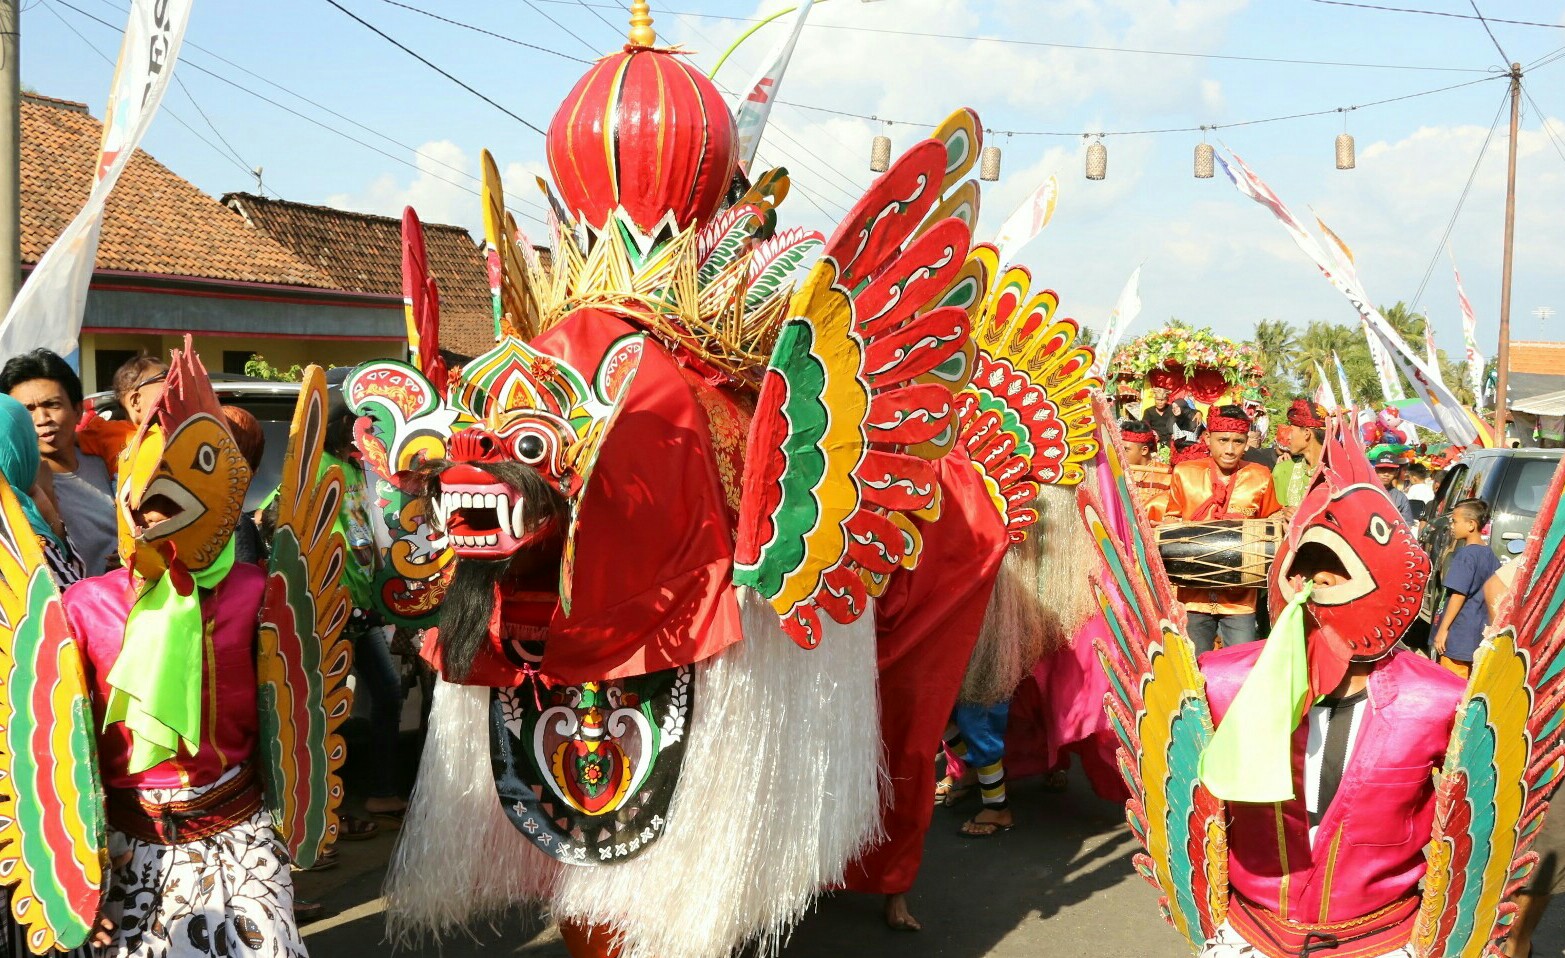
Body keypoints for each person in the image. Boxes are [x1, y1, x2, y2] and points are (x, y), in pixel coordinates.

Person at [323, 395, 407, 828]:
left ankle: (380, 792)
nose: (367, 438)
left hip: (362, 603)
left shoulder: (356, 468)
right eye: (360, 429)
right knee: (326, 708)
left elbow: (364, 532)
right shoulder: (317, 467)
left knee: (387, 694)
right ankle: (325, 811)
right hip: (334, 605)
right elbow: (322, 535)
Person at [1161, 405, 1281, 653]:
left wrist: (1283, 518)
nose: (1229, 449)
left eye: (1238, 441)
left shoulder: (1260, 476)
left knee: (1240, 667)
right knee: (1194, 668)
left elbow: (1272, 520)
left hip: (1241, 599)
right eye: (1223, 440)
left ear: (1246, 443)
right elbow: (1171, 519)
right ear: (1207, 439)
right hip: (1192, 596)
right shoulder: (1185, 473)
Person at [0, 348, 118, 574]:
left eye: (52, 405)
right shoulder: (17, 490)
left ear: (77, 410)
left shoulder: (110, 463)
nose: (42, 419)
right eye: (28, 410)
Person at [1431, 498, 1501, 679]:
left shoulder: (1466, 556)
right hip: (1476, 635)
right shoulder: (1489, 554)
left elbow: (1458, 595)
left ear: (1471, 524)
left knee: (1451, 685)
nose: (1451, 526)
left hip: (1457, 635)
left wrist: (1443, 630)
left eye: (1454, 521)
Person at [79, 353, 167, 476]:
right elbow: (70, 440)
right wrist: (87, 415)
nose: (173, 397)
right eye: (166, 391)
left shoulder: (172, 432)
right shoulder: (105, 430)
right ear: (136, 401)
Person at [1271, 399, 1326, 512]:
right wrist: (1284, 513)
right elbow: (1272, 513)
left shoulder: (1338, 472)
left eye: (1291, 431)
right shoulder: (1282, 470)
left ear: (1307, 433)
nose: (1288, 437)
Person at [1120, 419, 1170, 522]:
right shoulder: (1119, 474)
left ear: (1144, 450)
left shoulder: (1167, 475)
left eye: (1126, 450)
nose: (1120, 454)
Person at [1374, 455, 1419, 525]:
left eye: (1391, 470)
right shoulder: (1363, 492)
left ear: (1396, 472)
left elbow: (1407, 526)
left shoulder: (1401, 498)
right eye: (1382, 469)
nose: (1386, 474)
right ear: (1375, 470)